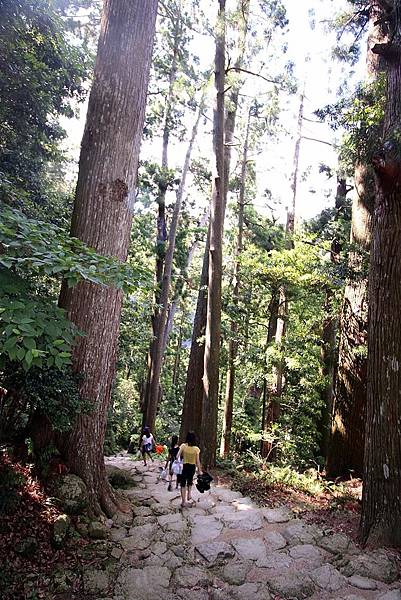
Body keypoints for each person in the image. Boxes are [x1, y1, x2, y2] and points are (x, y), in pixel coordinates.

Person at [176, 431, 202, 508]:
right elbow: (197, 461)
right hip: (192, 467)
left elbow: (177, 456)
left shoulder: (183, 446)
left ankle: (183, 501)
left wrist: (182, 458)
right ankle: (189, 494)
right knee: (190, 481)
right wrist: (199, 470)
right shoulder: (196, 449)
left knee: (183, 483)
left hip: (184, 466)